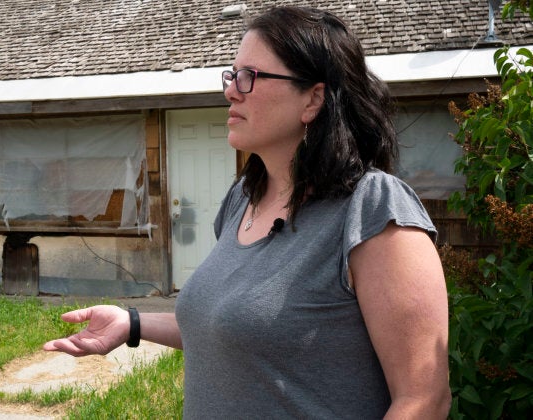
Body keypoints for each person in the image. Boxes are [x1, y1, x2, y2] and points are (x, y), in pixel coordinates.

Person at [44, 6, 451, 418]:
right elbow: (235, 328)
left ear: (313, 98)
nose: (231, 90)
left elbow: (424, 400)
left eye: (250, 77)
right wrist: (132, 323)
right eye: (232, 73)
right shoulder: (244, 198)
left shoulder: (373, 211)